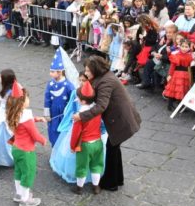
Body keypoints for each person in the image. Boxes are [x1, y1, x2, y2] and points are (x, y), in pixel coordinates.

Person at [74, 55, 141, 191]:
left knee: (112, 148)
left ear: (96, 69)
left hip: (121, 120)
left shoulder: (106, 81)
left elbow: (101, 106)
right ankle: (117, 179)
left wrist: (81, 116)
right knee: (114, 148)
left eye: (87, 71)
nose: (86, 73)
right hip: (120, 118)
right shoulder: (103, 77)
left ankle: (111, 183)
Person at [7, 81, 47, 206]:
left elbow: (25, 123)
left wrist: (37, 119)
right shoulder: (26, 118)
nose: (29, 99)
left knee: (18, 171)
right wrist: (43, 140)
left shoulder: (14, 113)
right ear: (22, 102)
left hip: (16, 148)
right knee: (28, 173)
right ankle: (25, 200)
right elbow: (34, 135)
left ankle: (19, 194)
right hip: (26, 151)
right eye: (27, 98)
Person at [69, 79, 104, 195]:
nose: (77, 99)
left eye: (78, 98)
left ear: (83, 101)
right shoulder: (97, 110)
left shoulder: (80, 116)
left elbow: (75, 133)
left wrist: (73, 146)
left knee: (81, 166)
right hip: (98, 142)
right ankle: (96, 187)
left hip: (85, 144)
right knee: (96, 164)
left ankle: (79, 188)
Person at [43, 49, 74, 146]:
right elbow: (47, 98)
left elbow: (72, 100)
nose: (50, 74)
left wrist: (70, 112)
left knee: (63, 133)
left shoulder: (68, 85)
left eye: (52, 71)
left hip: (64, 113)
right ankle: (54, 148)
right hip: (53, 113)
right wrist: (47, 113)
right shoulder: (50, 84)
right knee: (53, 132)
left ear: (60, 72)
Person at [163, 38, 194, 111]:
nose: (184, 48)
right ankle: (170, 105)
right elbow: (172, 66)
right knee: (173, 89)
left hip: (185, 74)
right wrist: (170, 75)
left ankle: (181, 105)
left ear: (189, 48)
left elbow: (190, 65)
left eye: (186, 47)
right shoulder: (176, 55)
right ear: (179, 46)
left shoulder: (190, 56)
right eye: (183, 46)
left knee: (183, 89)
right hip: (177, 74)